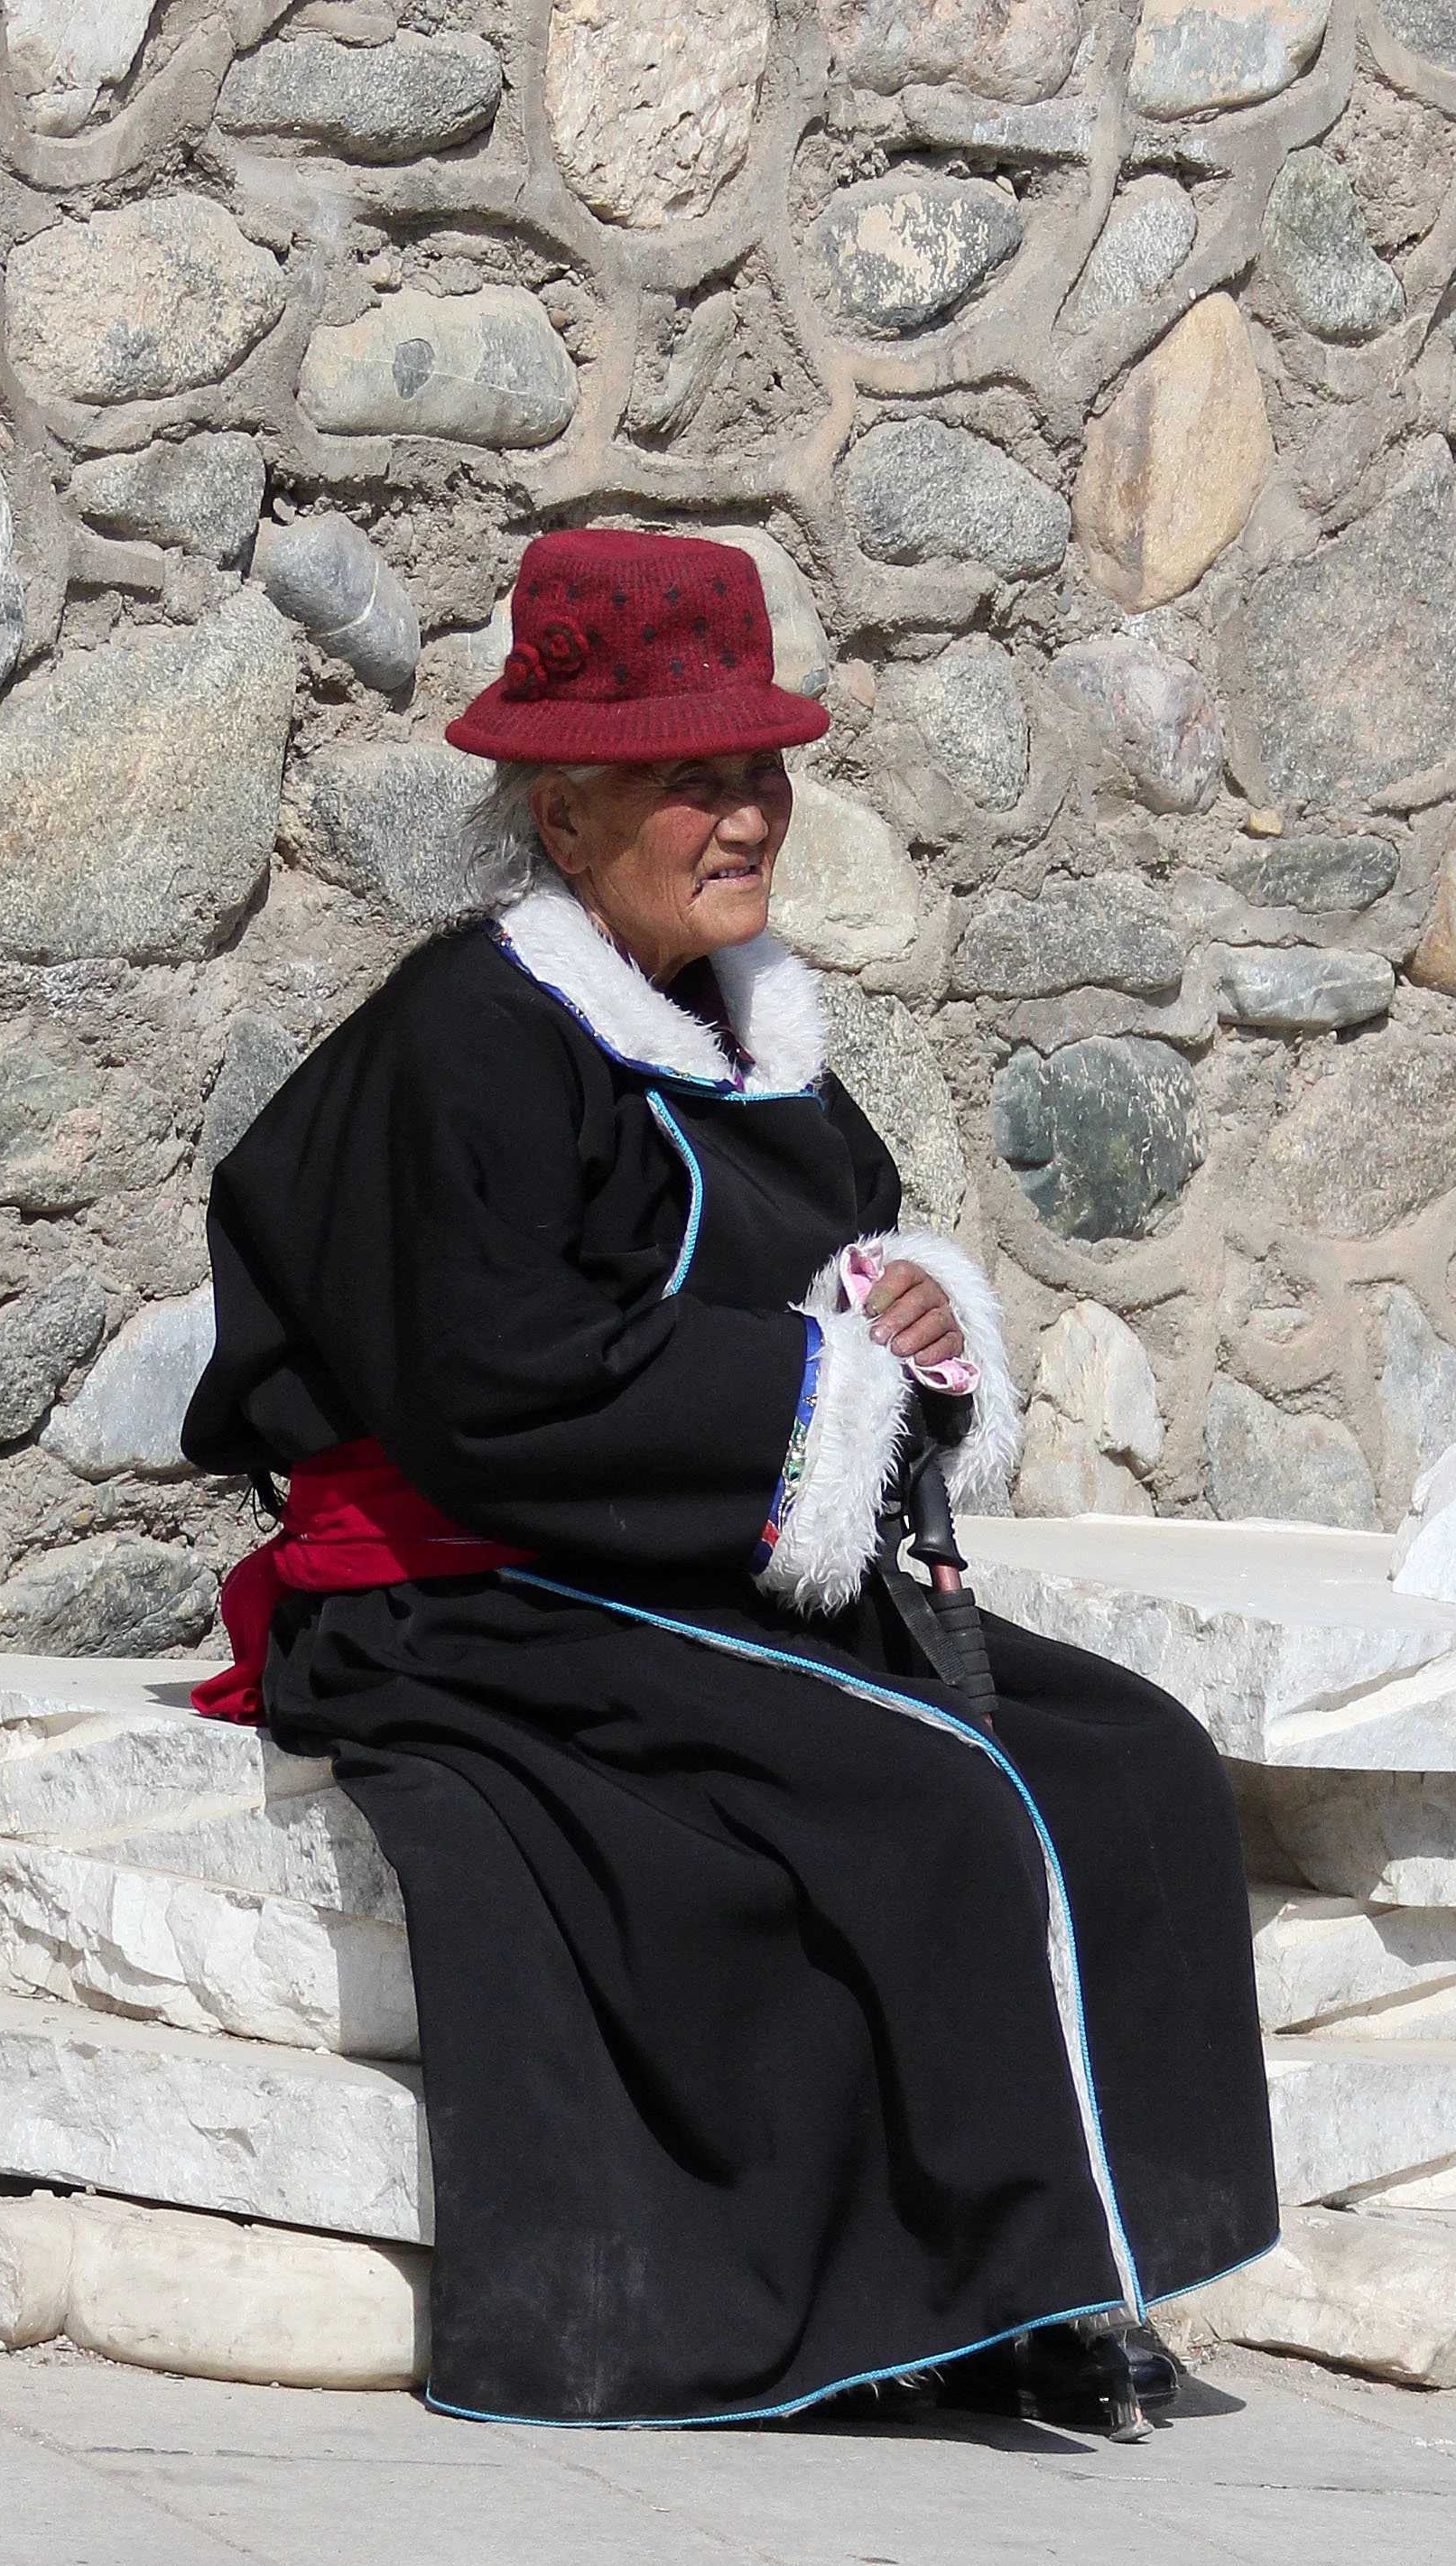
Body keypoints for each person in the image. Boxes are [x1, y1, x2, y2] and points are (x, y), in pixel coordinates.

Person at [183, 527, 1276, 2431]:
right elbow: (496, 1382)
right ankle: (962, 2306)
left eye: (759, 769)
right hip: (475, 1592)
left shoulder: (747, 1024)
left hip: (697, 1550)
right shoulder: (472, 1040)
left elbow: (828, 1252)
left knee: (1135, 1758)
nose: (746, 812)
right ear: (565, 816)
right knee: (930, 1801)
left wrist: (903, 1309)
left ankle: (1100, 2255)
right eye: (696, 779)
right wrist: (817, 1382)